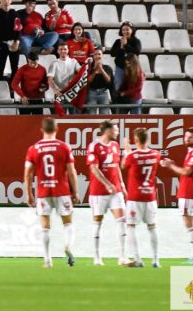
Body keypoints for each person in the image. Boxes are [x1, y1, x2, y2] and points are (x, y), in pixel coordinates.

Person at [23, 117, 79, 268]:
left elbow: (27, 174)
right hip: (62, 190)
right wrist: (75, 192)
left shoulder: (33, 148)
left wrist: (29, 193)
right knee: (68, 222)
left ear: (42, 130)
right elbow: (71, 171)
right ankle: (67, 246)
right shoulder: (64, 147)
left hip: (43, 191)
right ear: (56, 129)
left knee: (45, 226)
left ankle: (47, 260)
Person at [160, 127, 193, 264]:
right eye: (185, 137)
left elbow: (187, 172)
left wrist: (169, 165)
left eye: (190, 137)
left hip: (190, 191)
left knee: (189, 224)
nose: (186, 139)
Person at [87, 121, 128, 266]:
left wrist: (122, 184)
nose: (117, 132)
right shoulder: (94, 146)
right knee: (98, 222)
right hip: (99, 191)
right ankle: (97, 256)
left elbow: (116, 166)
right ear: (107, 131)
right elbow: (94, 168)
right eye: (115, 130)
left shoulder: (115, 146)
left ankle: (122, 256)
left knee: (122, 221)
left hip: (115, 191)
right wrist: (107, 184)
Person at [121, 128, 162, 268]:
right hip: (150, 196)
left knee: (131, 226)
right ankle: (156, 260)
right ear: (148, 139)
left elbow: (123, 165)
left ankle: (137, 258)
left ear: (136, 140)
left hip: (135, 197)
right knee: (152, 227)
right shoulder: (156, 154)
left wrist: (127, 150)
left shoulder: (132, 156)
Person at [0, 0, 21, 80]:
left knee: (14, 65)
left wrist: (17, 42)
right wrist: (0, 6)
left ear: (11, 0)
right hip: (2, 42)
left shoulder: (15, 13)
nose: (6, 1)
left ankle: (13, 82)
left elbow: (18, 29)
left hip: (13, 42)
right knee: (1, 65)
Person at [47, 44, 82, 113]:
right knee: (60, 116)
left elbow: (81, 72)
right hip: (60, 94)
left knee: (74, 116)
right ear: (58, 51)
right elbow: (50, 79)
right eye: (61, 49)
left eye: (65, 49)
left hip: (72, 93)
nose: (63, 51)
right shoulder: (54, 64)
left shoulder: (74, 61)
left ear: (68, 50)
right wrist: (55, 90)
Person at [110, 21, 142, 89]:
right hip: (120, 67)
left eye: (127, 29)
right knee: (118, 85)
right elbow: (112, 53)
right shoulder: (118, 41)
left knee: (132, 86)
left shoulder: (136, 41)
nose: (125, 32)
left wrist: (126, 45)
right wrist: (121, 48)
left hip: (132, 67)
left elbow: (137, 52)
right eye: (123, 30)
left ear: (132, 30)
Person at [86, 49, 114, 114]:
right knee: (91, 114)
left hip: (103, 92)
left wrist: (101, 69)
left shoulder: (107, 67)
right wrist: (95, 71)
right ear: (93, 56)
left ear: (102, 55)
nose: (97, 56)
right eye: (95, 54)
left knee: (104, 114)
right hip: (92, 93)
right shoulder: (89, 68)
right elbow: (89, 80)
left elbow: (108, 80)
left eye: (99, 54)